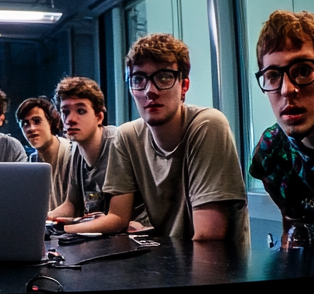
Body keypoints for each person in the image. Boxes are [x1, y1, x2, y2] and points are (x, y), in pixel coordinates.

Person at [72, 34, 249, 246]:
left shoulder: (207, 125)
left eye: (164, 77)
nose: (150, 91)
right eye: (138, 79)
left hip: (219, 272)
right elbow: (117, 219)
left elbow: (209, 237)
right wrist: (58, 232)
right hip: (169, 263)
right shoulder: (128, 136)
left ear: (184, 86)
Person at [248, 10, 314, 245]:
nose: (286, 90)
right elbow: (293, 228)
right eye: (272, 76)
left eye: (302, 71)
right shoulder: (270, 151)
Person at [43, 78, 121, 220]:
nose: (70, 119)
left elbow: (117, 217)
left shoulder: (115, 143)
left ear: (99, 117)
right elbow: (72, 204)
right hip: (96, 231)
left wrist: (70, 227)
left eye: (81, 111)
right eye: (65, 112)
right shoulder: (76, 149)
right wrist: (41, 218)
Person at [16, 96, 72, 210]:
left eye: (37, 121)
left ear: (50, 122)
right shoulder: (33, 161)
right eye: (25, 123)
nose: (31, 128)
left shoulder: (71, 154)